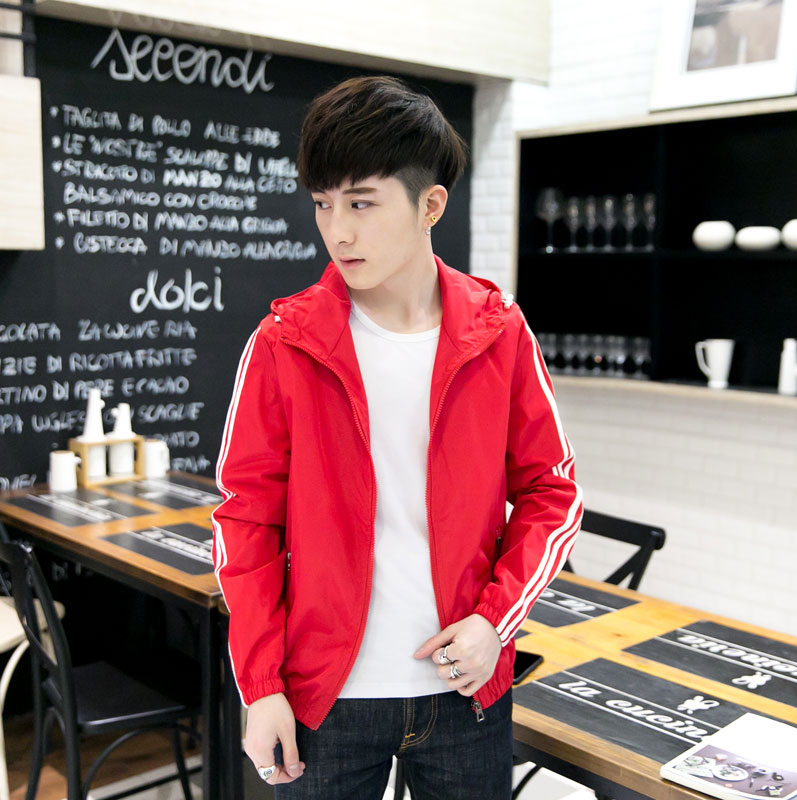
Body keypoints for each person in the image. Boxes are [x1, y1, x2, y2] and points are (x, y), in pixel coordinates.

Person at [212, 75, 583, 799]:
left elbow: (552, 493)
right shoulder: (285, 342)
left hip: (463, 691)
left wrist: (495, 622)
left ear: (430, 206)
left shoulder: (498, 331)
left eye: (361, 202)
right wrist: (261, 686)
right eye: (323, 203)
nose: (337, 231)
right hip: (325, 696)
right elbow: (245, 520)